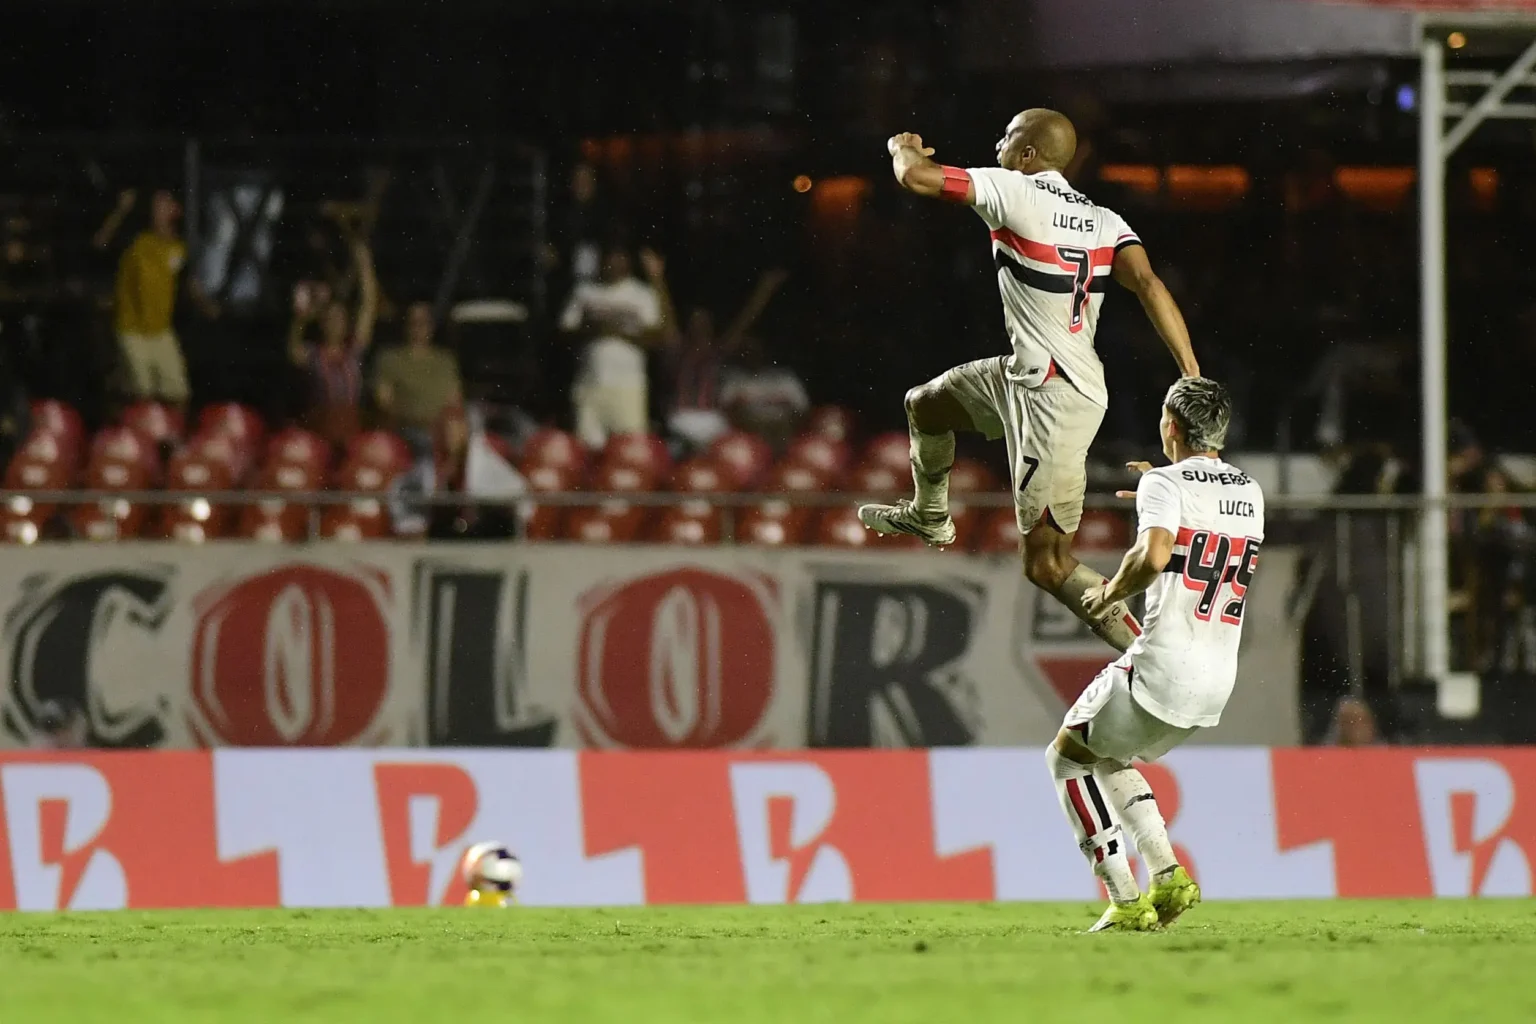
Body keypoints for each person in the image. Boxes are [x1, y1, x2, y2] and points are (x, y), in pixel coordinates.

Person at [857, 110, 1199, 655]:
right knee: (925, 405)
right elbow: (1149, 285)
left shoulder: (1014, 189)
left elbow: (915, 177)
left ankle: (1153, 659)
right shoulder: (1106, 221)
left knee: (1047, 565)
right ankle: (931, 514)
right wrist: (1191, 370)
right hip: (1025, 377)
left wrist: (903, 147)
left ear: (1028, 154)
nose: (998, 142)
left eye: (1008, 135)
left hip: (1054, 400)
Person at [1046, 378, 1262, 932]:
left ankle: (1124, 898)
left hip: (1165, 665)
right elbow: (1204, 517)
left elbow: (1154, 555)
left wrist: (1109, 593)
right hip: (1217, 678)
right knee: (1107, 755)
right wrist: (1158, 486)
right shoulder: (1250, 490)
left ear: (1171, 426)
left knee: (1066, 757)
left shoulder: (1166, 483)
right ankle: (1167, 876)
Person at [113, 190, 219, 411]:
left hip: (161, 330)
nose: (157, 210)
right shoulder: (136, 243)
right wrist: (120, 212)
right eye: (156, 205)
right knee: (141, 394)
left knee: (179, 394)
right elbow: (101, 244)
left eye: (163, 204)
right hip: (131, 328)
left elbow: (189, 283)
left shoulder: (178, 248)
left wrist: (205, 304)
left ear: (176, 210)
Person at [558, 247, 661, 448]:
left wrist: (618, 332)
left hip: (628, 385)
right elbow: (564, 332)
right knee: (587, 446)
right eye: (608, 258)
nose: (612, 263)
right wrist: (592, 329)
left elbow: (656, 337)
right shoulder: (584, 291)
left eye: (618, 258)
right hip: (589, 384)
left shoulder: (641, 293)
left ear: (627, 262)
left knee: (629, 447)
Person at [287, 238, 378, 449]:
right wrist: (302, 320)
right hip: (320, 434)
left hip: (350, 433)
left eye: (340, 318)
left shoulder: (353, 351)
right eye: (330, 318)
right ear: (322, 323)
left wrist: (364, 265)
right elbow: (293, 350)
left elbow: (368, 305)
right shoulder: (313, 354)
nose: (335, 323)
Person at [374, 301, 463, 456]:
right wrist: (417, 420)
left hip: (443, 430)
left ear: (432, 326)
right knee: (426, 441)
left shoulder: (446, 360)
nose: (419, 327)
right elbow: (385, 403)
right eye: (414, 322)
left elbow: (455, 400)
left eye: (424, 322)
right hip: (408, 429)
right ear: (406, 326)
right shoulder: (390, 359)